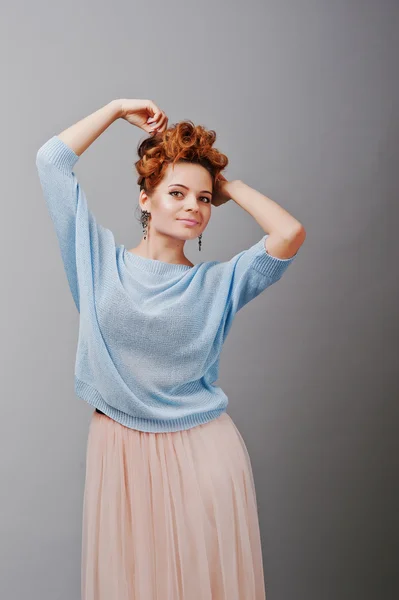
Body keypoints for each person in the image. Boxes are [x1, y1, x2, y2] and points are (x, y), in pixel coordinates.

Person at [35, 98, 306, 600]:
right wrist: (116, 110)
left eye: (203, 200)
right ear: (145, 198)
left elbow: (288, 234)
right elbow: (51, 160)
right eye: (177, 192)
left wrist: (229, 186)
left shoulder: (218, 283)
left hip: (204, 452)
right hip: (119, 455)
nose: (192, 207)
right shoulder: (97, 262)